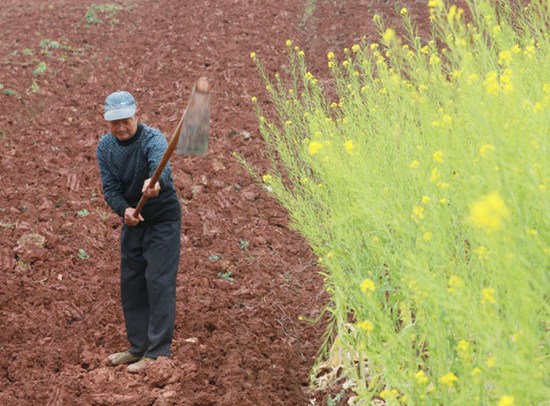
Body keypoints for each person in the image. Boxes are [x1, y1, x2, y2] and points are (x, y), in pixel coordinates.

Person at [96, 90, 181, 373]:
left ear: (137, 116)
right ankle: (138, 347)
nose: (120, 127)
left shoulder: (153, 139)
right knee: (131, 283)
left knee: (157, 280)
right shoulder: (105, 147)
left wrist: (154, 184)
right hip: (134, 218)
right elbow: (109, 188)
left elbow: (161, 167)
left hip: (161, 218)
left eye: (126, 120)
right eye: (114, 122)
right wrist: (124, 210)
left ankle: (157, 353)